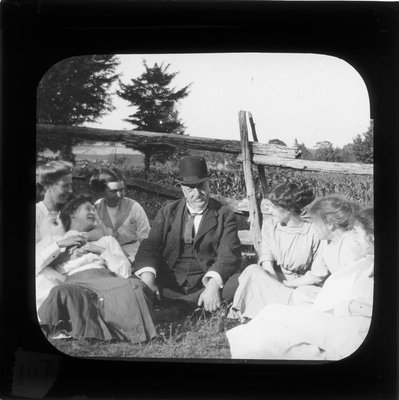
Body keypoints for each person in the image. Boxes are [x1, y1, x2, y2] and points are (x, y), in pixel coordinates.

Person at [226, 207, 374, 360]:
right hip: (319, 295)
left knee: (281, 313)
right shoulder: (328, 244)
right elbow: (319, 273)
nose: (354, 236)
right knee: (264, 289)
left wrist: (344, 306)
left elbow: (351, 290)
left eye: (356, 232)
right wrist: (287, 283)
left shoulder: (352, 248)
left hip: (344, 314)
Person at [37, 194, 157, 343]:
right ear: (72, 213)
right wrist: (60, 246)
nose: (94, 212)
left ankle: (120, 331)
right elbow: (36, 264)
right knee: (62, 292)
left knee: (135, 286)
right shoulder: (54, 240)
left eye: (94, 209)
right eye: (88, 208)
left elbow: (125, 272)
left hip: (107, 280)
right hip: (76, 282)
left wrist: (99, 250)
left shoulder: (106, 240)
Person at [132, 155, 242, 312]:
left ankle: (180, 305)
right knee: (134, 282)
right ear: (183, 189)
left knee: (241, 281)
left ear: (209, 184)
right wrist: (148, 280)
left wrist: (212, 286)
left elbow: (229, 255)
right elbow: (150, 246)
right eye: (190, 189)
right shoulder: (168, 211)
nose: (197, 194)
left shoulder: (225, 214)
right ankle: (190, 305)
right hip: (168, 283)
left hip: (203, 284)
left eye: (201, 186)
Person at [228, 181, 320, 320]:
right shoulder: (270, 225)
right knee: (252, 270)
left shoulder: (313, 232)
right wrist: (273, 282)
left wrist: (290, 285)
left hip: (302, 286)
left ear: (288, 209)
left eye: (274, 207)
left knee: (299, 297)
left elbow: (317, 273)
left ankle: (263, 313)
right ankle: (238, 314)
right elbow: (266, 258)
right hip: (276, 279)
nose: (269, 211)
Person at [35, 160, 104, 311]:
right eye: (64, 186)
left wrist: (81, 239)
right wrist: (60, 246)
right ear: (48, 186)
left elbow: (100, 230)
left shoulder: (67, 210)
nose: (70, 190)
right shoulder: (36, 214)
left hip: (70, 269)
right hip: (44, 275)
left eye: (71, 185)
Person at [285, 195, 364, 305]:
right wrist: (290, 283)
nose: (313, 227)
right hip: (338, 293)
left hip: (352, 296)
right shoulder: (326, 243)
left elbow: (352, 282)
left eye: (316, 224)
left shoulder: (350, 242)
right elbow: (316, 274)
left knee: (303, 297)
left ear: (330, 224)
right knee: (301, 293)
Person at [90, 167, 151, 262]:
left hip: (133, 253)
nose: (119, 195)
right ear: (102, 191)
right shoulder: (96, 208)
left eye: (121, 190)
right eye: (113, 191)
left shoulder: (134, 207)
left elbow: (145, 237)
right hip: (107, 253)